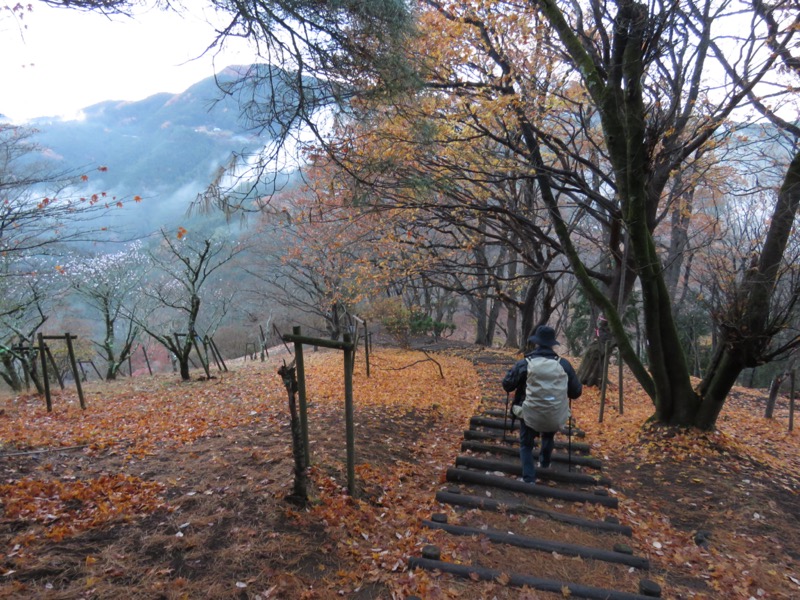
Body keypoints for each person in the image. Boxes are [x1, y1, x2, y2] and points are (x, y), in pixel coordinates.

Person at [502, 325, 582, 484]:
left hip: (529, 412)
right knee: (548, 434)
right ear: (552, 344)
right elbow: (576, 392)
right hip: (554, 413)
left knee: (526, 444)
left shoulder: (525, 363)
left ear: (536, 342)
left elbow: (507, 385)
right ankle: (545, 464)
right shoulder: (564, 365)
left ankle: (529, 478)